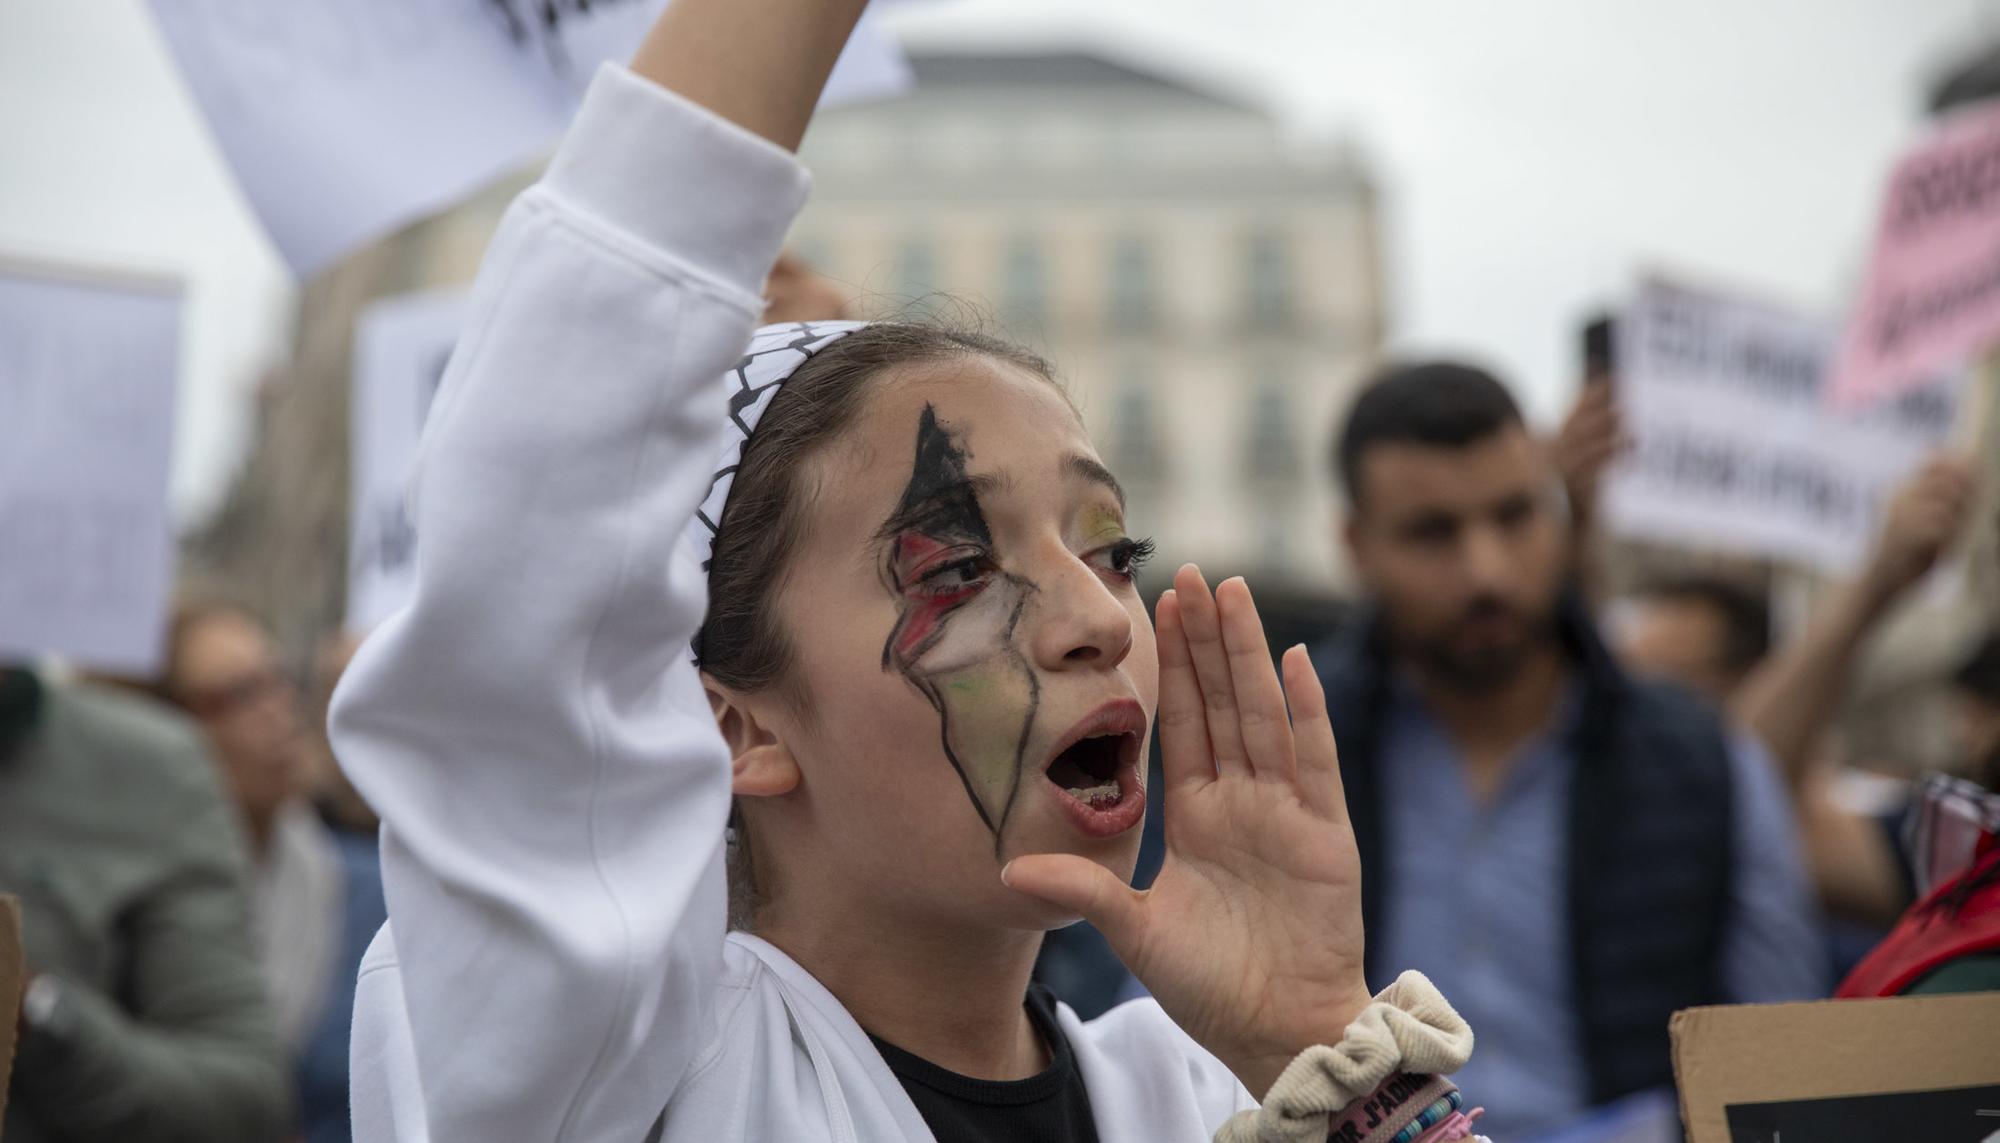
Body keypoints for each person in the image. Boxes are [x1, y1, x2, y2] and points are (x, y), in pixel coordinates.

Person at [330, 3, 1493, 1142]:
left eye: (1110, 550)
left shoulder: (1194, 1097)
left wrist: (1320, 1050)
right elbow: (539, 505)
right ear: (734, 729)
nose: (1096, 615)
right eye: (961, 566)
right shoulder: (611, 1071)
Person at [1314, 361, 1824, 1140]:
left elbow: (1780, 1065)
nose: (1485, 569)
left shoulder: (1702, 760)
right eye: (1434, 531)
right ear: (1356, 544)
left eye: (1514, 515)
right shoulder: (1292, 755)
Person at [1619, 458, 1980, 933]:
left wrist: (1877, 583)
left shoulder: (1816, 835)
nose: (1638, 717)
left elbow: (1739, 784)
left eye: (1665, 690)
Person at [133, 602, 387, 1143]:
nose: (280, 710)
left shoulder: (374, 894)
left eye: (280, 681)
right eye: (239, 696)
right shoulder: (132, 911)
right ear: (159, 725)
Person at [0, 667, 289, 1143]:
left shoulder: (146, 771)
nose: (279, 710)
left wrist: (36, 1011)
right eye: (239, 692)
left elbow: (248, 1100)